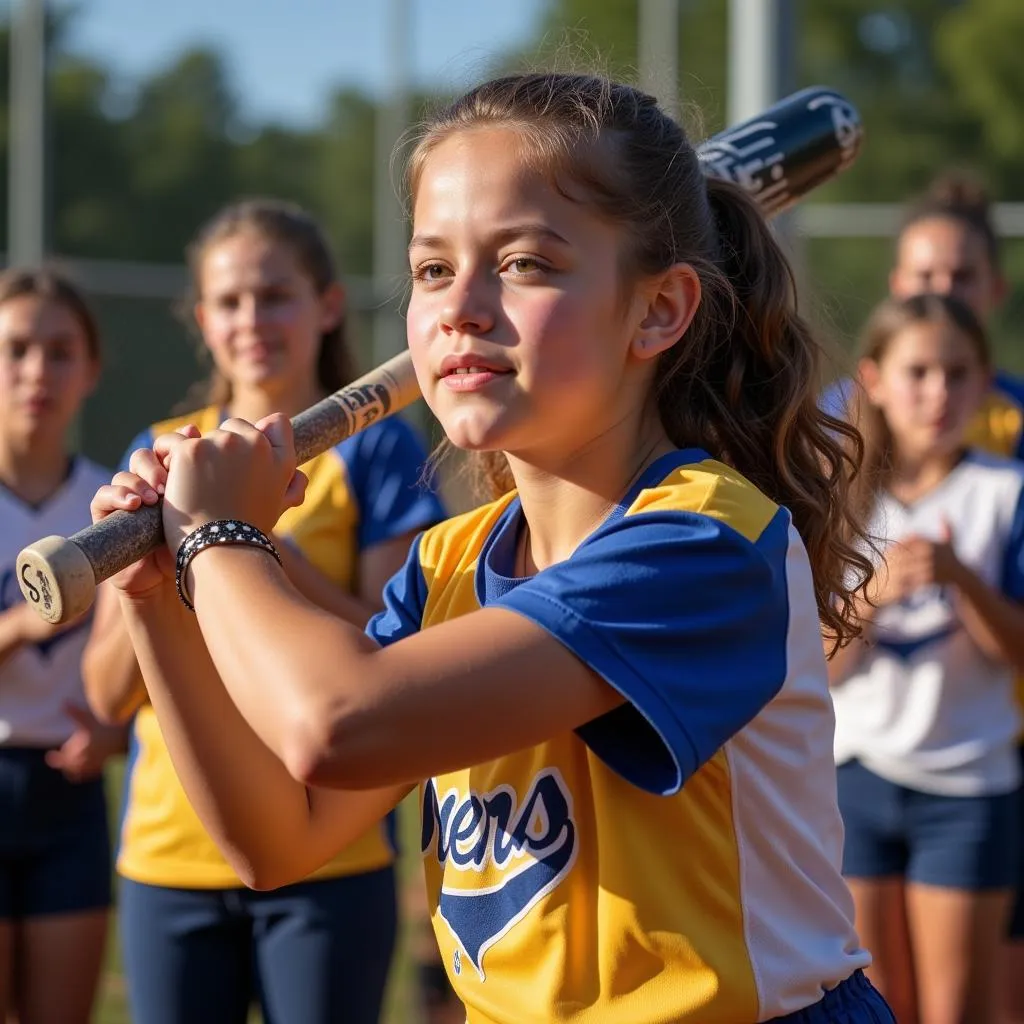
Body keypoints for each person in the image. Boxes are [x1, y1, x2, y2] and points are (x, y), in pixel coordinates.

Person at [89, 73, 895, 1022]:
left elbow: (336, 723)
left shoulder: (701, 542)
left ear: (659, 310)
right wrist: (159, 598)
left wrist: (220, 539)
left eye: (524, 263)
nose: (462, 308)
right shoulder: (449, 563)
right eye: (433, 270)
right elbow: (280, 839)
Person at [81, 199, 445, 1024]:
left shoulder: (380, 446)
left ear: (324, 305)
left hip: (328, 848)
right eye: (231, 301)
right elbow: (105, 696)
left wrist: (235, 534)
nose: (253, 319)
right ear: (203, 319)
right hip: (169, 855)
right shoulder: (162, 448)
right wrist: (147, 575)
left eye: (275, 295)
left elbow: (387, 653)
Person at [830, 293, 1024, 1024]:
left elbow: (1017, 654)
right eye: (918, 371)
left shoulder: (1006, 492)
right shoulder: (841, 500)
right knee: (878, 1008)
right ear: (873, 380)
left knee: (953, 1011)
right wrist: (874, 595)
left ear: (983, 383)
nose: (937, 392)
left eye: (957, 372)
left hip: (970, 786)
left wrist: (963, 578)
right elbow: (814, 666)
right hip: (857, 781)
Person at [0, 268, 126, 1024]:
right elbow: (32, 626)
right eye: (15, 349)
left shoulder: (109, 502)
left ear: (91, 369)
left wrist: (115, 727)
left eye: (59, 350)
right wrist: (22, 623)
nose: (37, 371)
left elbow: (145, 650)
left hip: (70, 796)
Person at [822, 172, 1023, 454]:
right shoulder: (838, 413)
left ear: (997, 288)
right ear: (897, 287)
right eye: (925, 275)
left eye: (962, 276)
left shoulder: (1015, 416)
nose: (943, 291)